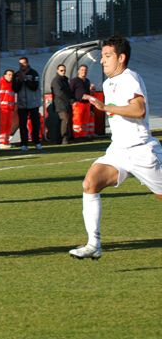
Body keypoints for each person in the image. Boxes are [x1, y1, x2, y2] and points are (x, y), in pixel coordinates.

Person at [69, 36, 162, 260]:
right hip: (119, 150)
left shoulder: (130, 79)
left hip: (141, 150)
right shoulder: (110, 83)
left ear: (121, 58)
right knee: (90, 183)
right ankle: (94, 244)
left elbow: (138, 110)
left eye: (108, 56)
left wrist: (105, 106)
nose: (102, 61)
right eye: (102, 56)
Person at [13, 56, 42, 151]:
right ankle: (24, 143)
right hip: (22, 104)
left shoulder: (33, 73)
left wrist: (25, 79)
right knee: (22, 124)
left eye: (23, 63)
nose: (22, 65)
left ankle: (37, 142)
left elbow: (34, 87)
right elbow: (15, 89)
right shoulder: (16, 75)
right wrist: (20, 81)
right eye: (20, 64)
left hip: (33, 103)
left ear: (27, 63)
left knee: (35, 123)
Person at [50, 64, 74, 144]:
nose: (63, 72)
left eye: (64, 70)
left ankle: (67, 137)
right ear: (57, 71)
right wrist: (69, 99)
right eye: (61, 70)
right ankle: (64, 138)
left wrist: (71, 98)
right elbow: (59, 93)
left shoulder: (64, 80)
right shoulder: (56, 80)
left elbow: (67, 91)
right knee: (65, 120)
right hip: (60, 104)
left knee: (67, 120)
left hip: (65, 103)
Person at [70, 64, 95, 139]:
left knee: (85, 121)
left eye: (85, 70)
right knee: (77, 121)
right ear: (78, 71)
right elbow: (70, 92)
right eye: (82, 70)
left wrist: (90, 107)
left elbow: (88, 93)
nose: (84, 72)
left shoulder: (87, 81)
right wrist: (73, 102)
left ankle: (83, 135)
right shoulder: (74, 80)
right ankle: (77, 136)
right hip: (78, 104)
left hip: (86, 104)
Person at [0, 69, 16, 149]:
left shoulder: (12, 84)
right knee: (2, 125)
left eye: (12, 75)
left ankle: (6, 141)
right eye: (9, 74)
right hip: (2, 109)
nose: (11, 76)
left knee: (8, 126)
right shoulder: (0, 82)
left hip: (10, 109)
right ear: (4, 75)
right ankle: (1, 142)